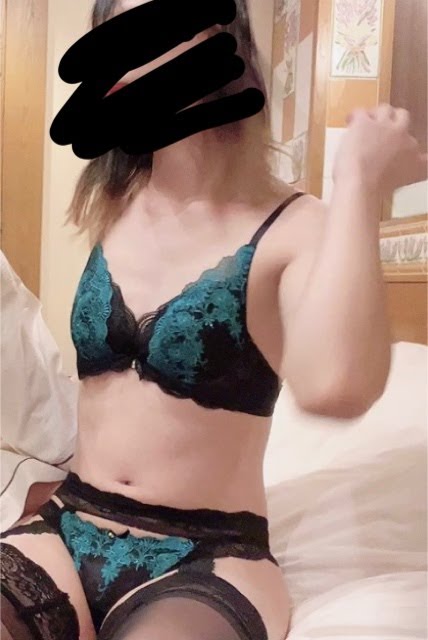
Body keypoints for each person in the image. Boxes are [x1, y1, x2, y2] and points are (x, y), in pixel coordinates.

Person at [1, 1, 426, 639]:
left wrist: (359, 184)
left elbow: (336, 383)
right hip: (69, 524)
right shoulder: (115, 203)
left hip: (206, 554)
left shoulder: (295, 226)